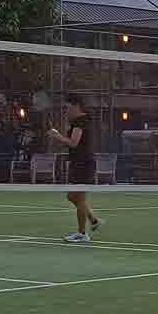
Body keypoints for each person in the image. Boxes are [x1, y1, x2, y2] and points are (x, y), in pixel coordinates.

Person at [47, 94, 103, 243]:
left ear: (76, 106)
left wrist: (56, 135)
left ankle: (82, 233)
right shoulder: (77, 122)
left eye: (68, 107)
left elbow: (73, 143)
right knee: (72, 196)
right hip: (78, 163)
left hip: (84, 164)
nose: (66, 110)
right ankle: (93, 220)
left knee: (79, 197)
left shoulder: (81, 121)